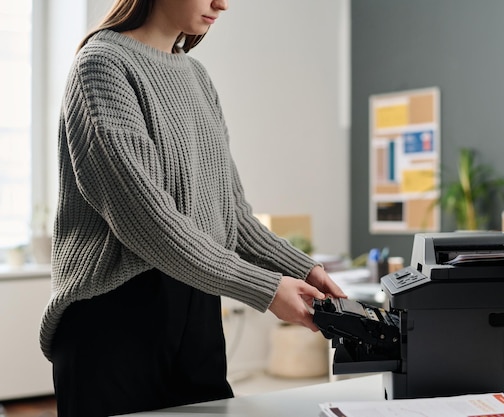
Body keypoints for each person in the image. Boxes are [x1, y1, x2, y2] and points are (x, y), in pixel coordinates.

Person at [38, 0, 347, 416]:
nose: (222, 3)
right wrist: (266, 288)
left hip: (195, 307)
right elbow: (147, 221)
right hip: (113, 318)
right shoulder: (101, 66)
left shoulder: (196, 76)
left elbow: (231, 215)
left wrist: (306, 270)